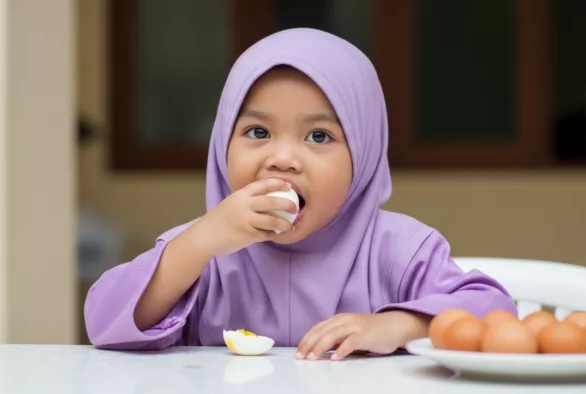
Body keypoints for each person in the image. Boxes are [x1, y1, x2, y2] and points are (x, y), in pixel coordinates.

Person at [84, 28, 516, 361]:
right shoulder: (204, 251)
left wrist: (402, 325)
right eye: (257, 132)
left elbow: (494, 311)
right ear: (221, 147)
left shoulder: (397, 250)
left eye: (318, 135)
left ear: (363, 155)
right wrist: (198, 243)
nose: (284, 158)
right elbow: (104, 323)